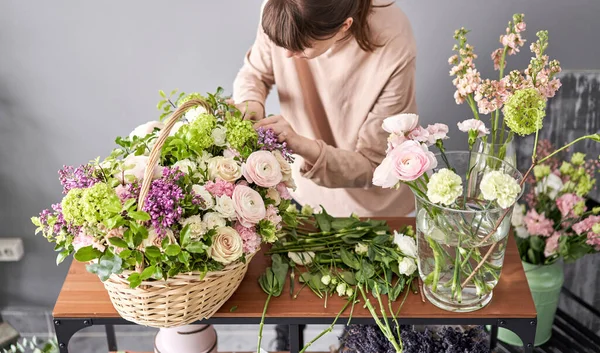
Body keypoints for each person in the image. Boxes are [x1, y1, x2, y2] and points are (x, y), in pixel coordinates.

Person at [231, 0, 417, 349]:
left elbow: (373, 164)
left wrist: (301, 144)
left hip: (374, 207)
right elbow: (255, 73)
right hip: (306, 197)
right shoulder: (283, 9)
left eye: (300, 49)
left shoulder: (393, 42)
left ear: (344, 27)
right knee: (290, 301)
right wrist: (251, 104)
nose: (286, 58)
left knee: (364, 319)